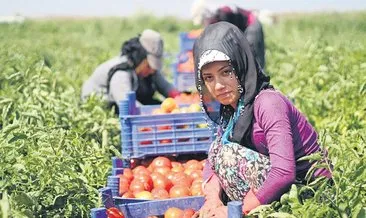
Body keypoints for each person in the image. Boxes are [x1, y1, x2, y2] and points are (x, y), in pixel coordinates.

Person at [192, 22, 332, 217]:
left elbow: (284, 172)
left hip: (309, 193)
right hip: (279, 189)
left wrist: (235, 211)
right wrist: (212, 200)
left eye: (226, 72)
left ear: (241, 66)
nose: (218, 86)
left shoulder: (267, 102)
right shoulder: (232, 110)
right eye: (209, 78)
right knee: (218, 150)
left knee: (227, 154)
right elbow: (212, 163)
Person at [81, 29, 180, 113]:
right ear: (140, 58)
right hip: (104, 106)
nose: (152, 71)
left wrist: (181, 98)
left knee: (158, 106)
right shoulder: (121, 73)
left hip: (126, 102)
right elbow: (129, 106)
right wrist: (155, 114)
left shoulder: (149, 70)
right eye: (149, 66)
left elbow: (165, 87)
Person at [191, 0, 266, 69]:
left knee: (252, 54)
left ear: (207, 16)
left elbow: (230, 37)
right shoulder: (213, 21)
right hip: (241, 27)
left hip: (251, 25)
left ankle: (258, 77)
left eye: (203, 21)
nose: (204, 24)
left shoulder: (223, 14)